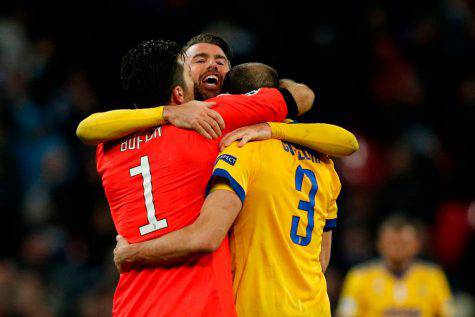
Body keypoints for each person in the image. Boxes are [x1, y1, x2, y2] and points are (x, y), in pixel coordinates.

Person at [95, 38, 320, 316]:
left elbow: (86, 128)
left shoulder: (107, 148)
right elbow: (301, 97)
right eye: (191, 68)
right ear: (179, 94)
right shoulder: (209, 121)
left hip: (132, 304)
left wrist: (131, 253)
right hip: (198, 305)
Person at [336, 215, 453, 317]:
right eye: (392, 243)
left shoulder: (433, 276)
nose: (397, 248)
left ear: (416, 245)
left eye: (403, 243)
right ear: (380, 244)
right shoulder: (359, 276)